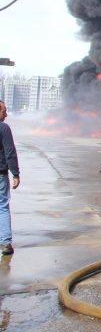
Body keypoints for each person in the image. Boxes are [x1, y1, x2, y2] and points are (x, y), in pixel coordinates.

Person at [0, 101, 20, 256]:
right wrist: (16, 174)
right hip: (0, 175)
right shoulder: (3, 128)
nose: (6, 115)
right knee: (3, 207)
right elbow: (10, 152)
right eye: (4, 111)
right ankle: (6, 243)